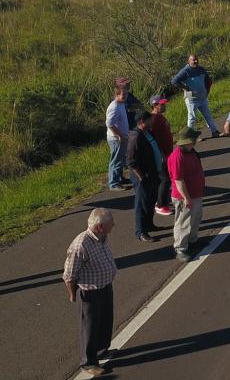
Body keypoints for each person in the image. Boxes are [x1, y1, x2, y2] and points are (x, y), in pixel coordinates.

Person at [63, 208, 117, 378]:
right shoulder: (80, 245)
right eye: (111, 223)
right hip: (90, 293)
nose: (114, 224)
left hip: (105, 287)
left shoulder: (102, 238)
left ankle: (101, 350)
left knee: (105, 322)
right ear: (100, 226)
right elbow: (69, 275)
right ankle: (88, 362)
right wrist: (72, 295)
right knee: (90, 327)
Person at [126, 112, 165, 243]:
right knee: (141, 203)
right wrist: (141, 177)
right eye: (150, 119)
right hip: (143, 176)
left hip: (154, 172)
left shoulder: (148, 132)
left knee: (151, 200)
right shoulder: (135, 137)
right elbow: (131, 162)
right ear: (142, 121)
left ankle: (149, 224)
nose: (152, 121)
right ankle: (141, 231)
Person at [168, 127, 204, 262]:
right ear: (188, 141)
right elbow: (179, 181)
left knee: (196, 218)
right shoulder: (177, 157)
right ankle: (180, 248)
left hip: (195, 193)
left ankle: (192, 240)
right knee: (183, 222)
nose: (196, 141)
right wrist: (186, 198)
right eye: (194, 139)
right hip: (185, 196)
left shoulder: (190, 151)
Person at [170, 54, 219, 138]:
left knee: (208, 115)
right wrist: (185, 87)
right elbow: (174, 81)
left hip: (202, 97)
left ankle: (214, 131)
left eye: (196, 60)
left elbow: (208, 80)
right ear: (189, 61)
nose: (195, 61)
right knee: (192, 118)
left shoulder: (201, 69)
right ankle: (191, 136)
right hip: (191, 98)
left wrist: (207, 91)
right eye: (193, 60)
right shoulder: (185, 71)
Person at [148, 95, 174, 216]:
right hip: (162, 155)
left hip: (167, 152)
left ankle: (164, 200)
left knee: (167, 178)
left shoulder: (159, 117)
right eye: (162, 104)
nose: (164, 106)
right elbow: (154, 140)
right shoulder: (154, 119)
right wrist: (162, 155)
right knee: (165, 179)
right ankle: (160, 204)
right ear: (155, 105)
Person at [105, 87, 130, 191]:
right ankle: (113, 183)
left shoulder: (121, 104)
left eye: (126, 94)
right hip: (116, 139)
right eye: (122, 95)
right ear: (116, 95)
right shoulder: (114, 106)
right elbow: (109, 123)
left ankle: (119, 178)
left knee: (121, 159)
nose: (125, 96)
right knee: (116, 160)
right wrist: (119, 135)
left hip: (122, 137)